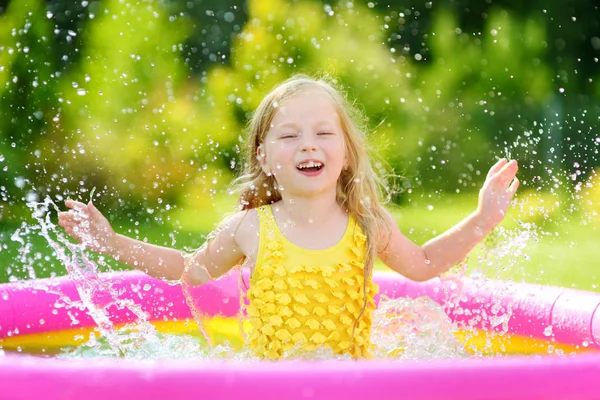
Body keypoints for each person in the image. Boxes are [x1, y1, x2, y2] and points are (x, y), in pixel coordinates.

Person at [58, 75, 519, 360]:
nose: (308, 145)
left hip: (353, 387)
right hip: (270, 386)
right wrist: (112, 242)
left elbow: (422, 264)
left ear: (345, 150)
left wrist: (481, 220)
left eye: (323, 132)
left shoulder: (367, 223)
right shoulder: (251, 227)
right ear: (264, 155)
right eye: (290, 135)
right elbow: (188, 270)